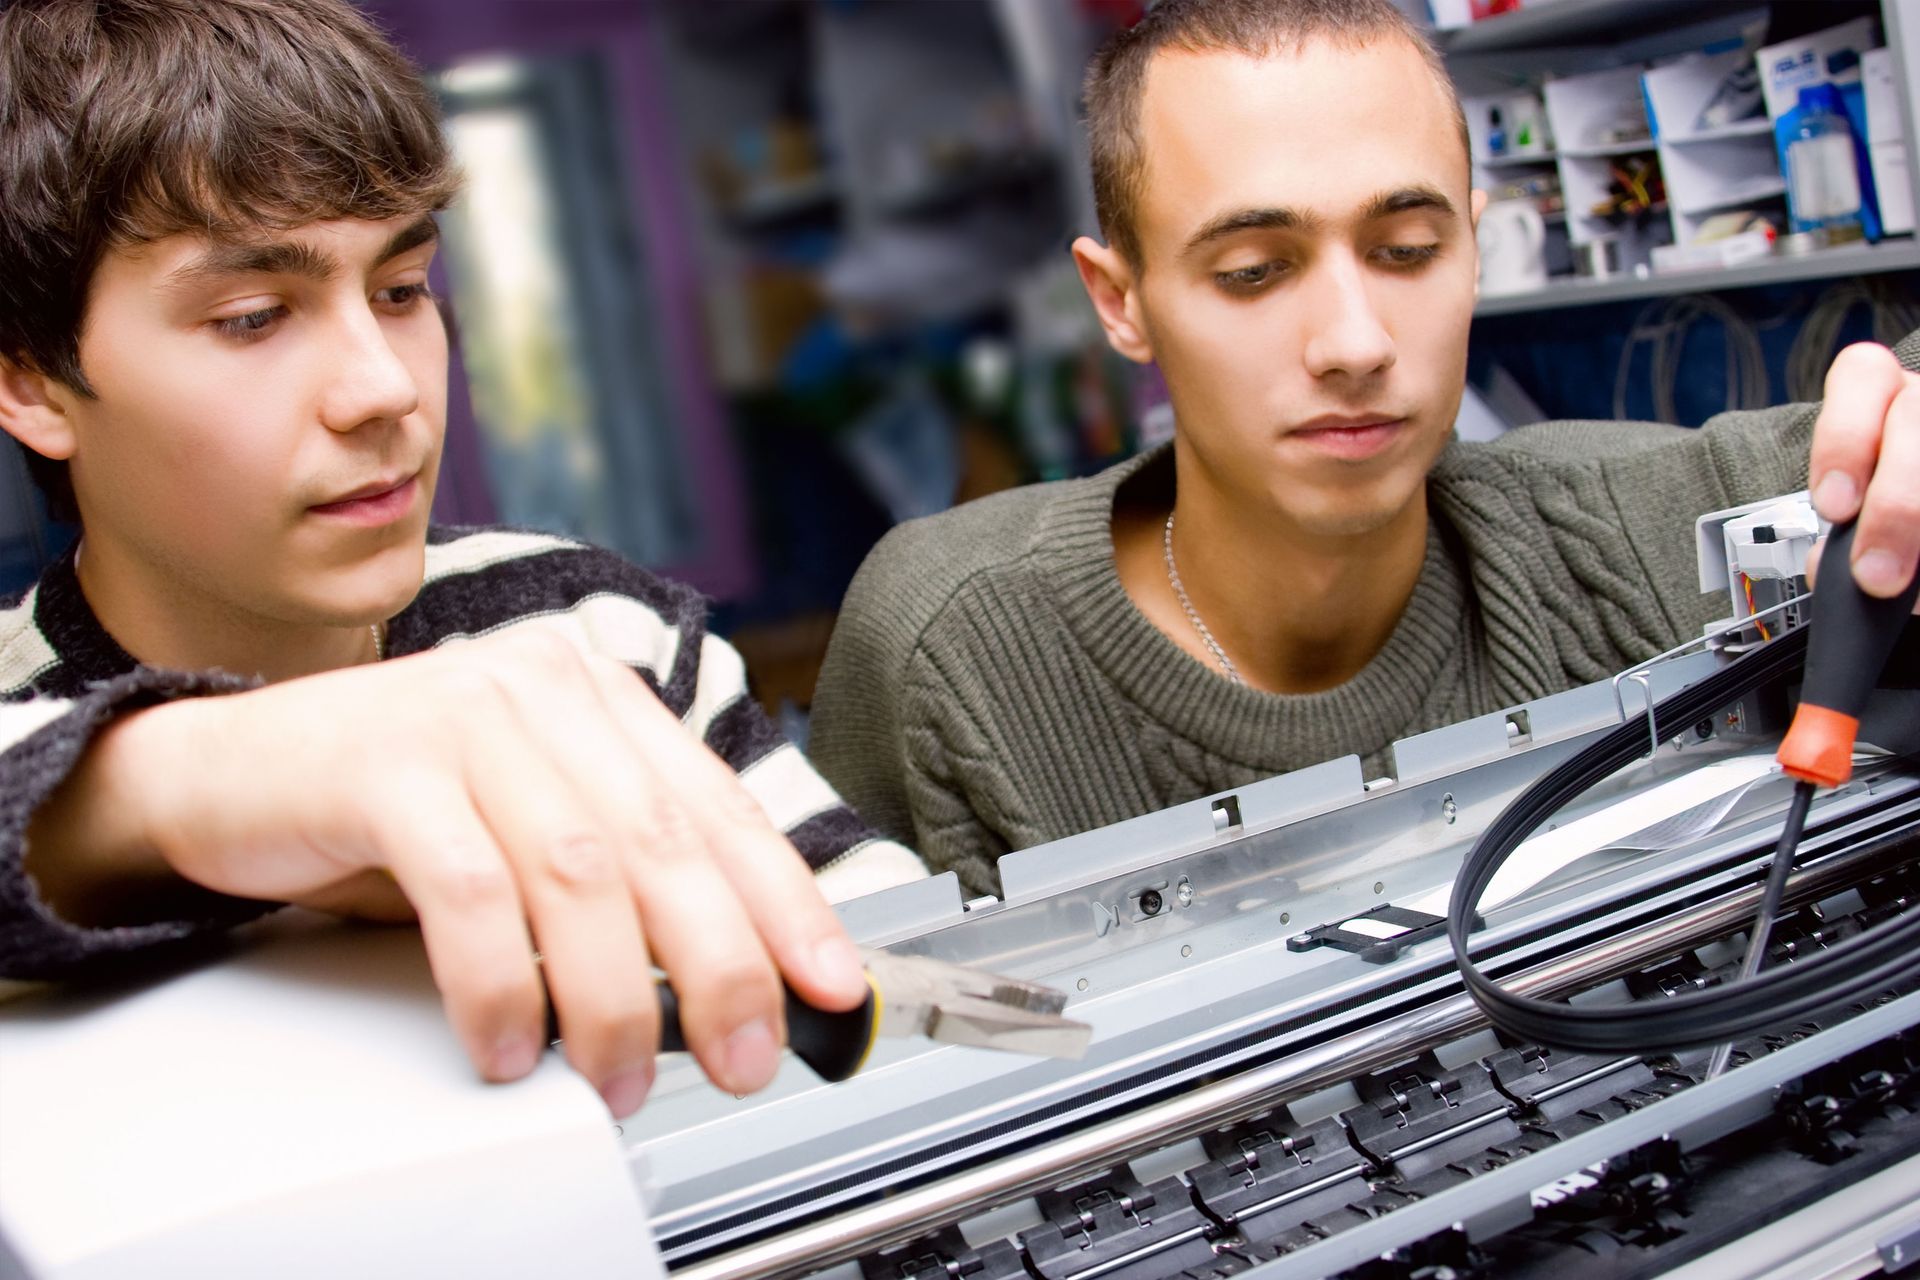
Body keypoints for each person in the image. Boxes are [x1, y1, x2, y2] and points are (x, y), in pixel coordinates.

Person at [0, 0, 924, 1119]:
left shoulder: (591, 628)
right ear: (33, 382)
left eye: (400, 292)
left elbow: (901, 996)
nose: (385, 388)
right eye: (251, 316)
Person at [808, 0, 1920, 897]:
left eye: (1407, 249)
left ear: (1475, 251)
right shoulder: (947, 642)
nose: (1354, 342)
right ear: (1121, 299)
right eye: (1251, 269)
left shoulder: (1625, 533)